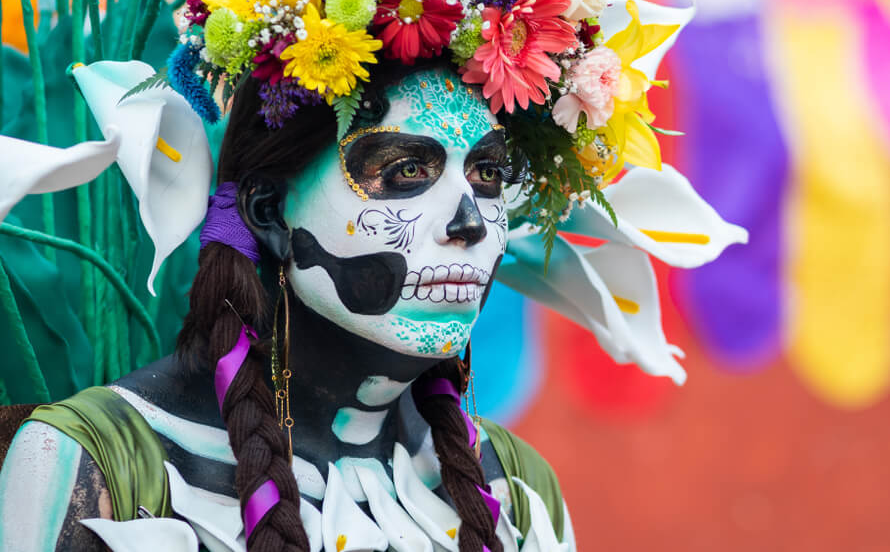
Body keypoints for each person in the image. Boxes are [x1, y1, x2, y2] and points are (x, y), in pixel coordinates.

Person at [0, 63, 570, 551]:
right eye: (407, 171)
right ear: (269, 213)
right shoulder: (93, 464)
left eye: (488, 174)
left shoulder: (516, 488)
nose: (468, 222)